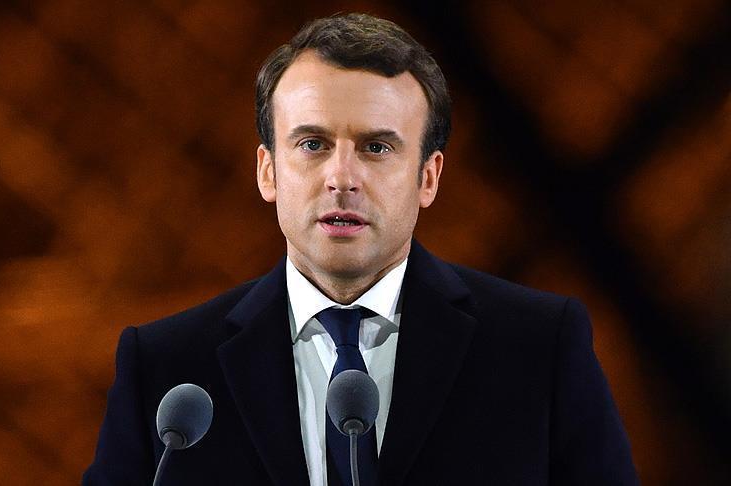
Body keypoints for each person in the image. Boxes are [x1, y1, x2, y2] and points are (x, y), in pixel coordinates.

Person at [83, 13, 639, 486]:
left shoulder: (539, 347)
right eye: (312, 144)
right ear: (267, 171)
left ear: (428, 177)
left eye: (376, 147)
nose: (342, 178)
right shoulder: (165, 368)